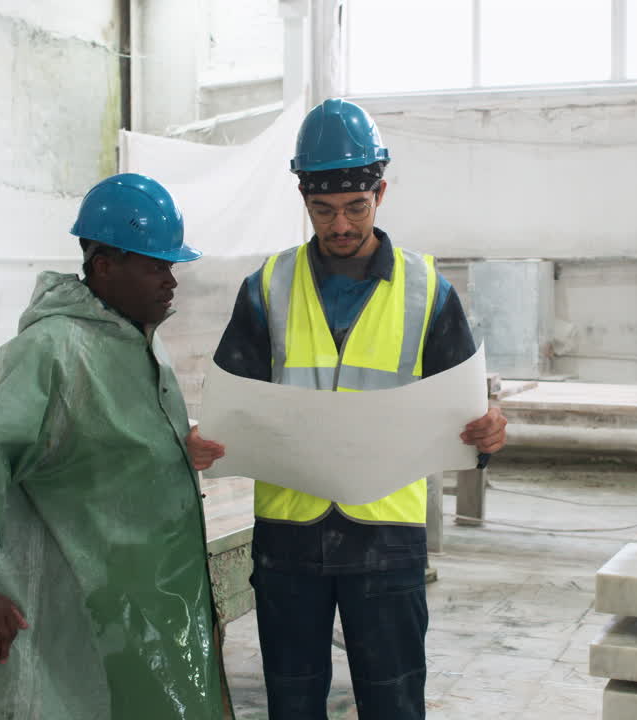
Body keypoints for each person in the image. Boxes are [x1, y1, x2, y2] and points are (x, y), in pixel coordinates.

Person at [212, 99, 508, 720]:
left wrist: (487, 433)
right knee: (292, 702)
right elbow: (230, 406)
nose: (340, 224)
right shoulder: (266, 288)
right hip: (288, 535)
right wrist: (206, 441)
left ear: (380, 192)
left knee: (394, 701)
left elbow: (467, 412)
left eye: (355, 207)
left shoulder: (428, 291)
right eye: (323, 210)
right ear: (303, 197)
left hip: (387, 535)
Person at [0, 173, 229, 720]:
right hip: (85, 611)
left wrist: (182, 445)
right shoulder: (51, 349)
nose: (171, 282)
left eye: (171, 266)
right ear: (104, 265)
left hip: (154, 605)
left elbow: (113, 447)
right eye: (157, 265)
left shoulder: (142, 343)